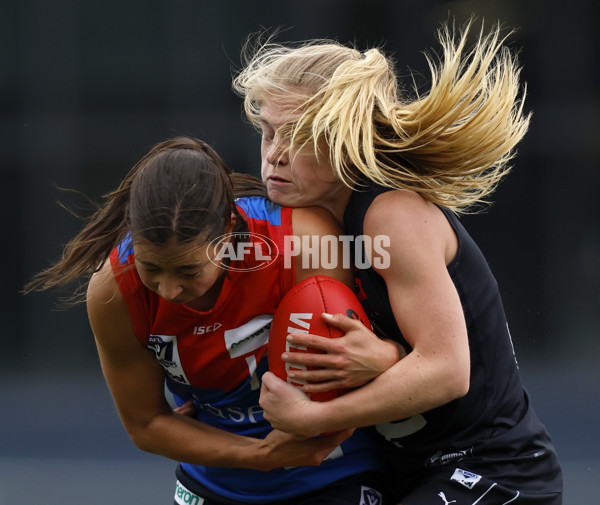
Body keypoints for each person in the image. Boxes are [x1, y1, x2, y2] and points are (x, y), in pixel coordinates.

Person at [233, 19, 563, 504]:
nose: (274, 156)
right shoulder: (298, 219)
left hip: (490, 469)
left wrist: (316, 418)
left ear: (343, 137)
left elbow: (448, 369)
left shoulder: (391, 214)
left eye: (297, 136)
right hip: (404, 473)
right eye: (267, 133)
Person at [24, 137, 395, 504]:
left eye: (188, 269)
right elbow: (147, 424)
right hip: (215, 485)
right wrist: (261, 456)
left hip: (333, 475)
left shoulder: (304, 242)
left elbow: (368, 364)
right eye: (151, 267)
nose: (168, 290)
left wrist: (386, 356)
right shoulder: (114, 290)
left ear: (228, 230)